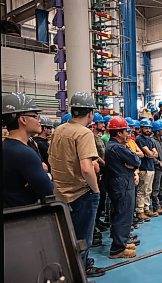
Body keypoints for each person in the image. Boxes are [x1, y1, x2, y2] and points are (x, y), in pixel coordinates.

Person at [48, 92, 105, 277]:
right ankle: (78, 276)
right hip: (81, 194)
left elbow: (51, 159)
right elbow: (87, 168)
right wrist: (95, 190)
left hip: (60, 193)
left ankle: (70, 272)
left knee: (67, 238)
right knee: (82, 240)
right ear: (90, 113)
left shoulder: (59, 130)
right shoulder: (84, 133)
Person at [2, 92, 54, 208]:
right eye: (35, 116)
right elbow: (47, 191)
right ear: (23, 120)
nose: (39, 120)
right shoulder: (24, 153)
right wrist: (48, 176)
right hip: (23, 216)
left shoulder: (6, 147)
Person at [104, 116, 141, 259]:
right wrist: (131, 162)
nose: (128, 134)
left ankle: (121, 242)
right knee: (123, 215)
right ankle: (117, 249)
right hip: (122, 184)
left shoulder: (112, 146)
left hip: (119, 183)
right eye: (126, 131)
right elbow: (136, 160)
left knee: (119, 213)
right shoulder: (117, 148)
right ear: (119, 133)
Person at [135, 118, 159, 220]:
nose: (148, 130)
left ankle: (146, 208)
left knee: (148, 190)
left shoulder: (150, 140)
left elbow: (155, 154)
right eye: (146, 128)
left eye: (149, 128)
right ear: (141, 128)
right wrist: (151, 154)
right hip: (143, 168)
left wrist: (151, 154)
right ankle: (140, 211)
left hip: (151, 167)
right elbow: (148, 154)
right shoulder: (139, 139)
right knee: (142, 190)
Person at [150, 121, 162, 216]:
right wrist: (159, 163)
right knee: (156, 188)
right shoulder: (152, 141)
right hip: (157, 168)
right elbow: (152, 156)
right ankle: (156, 206)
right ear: (157, 131)